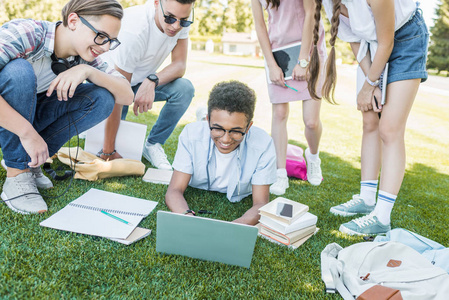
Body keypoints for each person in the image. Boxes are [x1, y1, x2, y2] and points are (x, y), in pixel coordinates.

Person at [0, 0, 134, 214]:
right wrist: (26, 133)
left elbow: (127, 96)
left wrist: (87, 72)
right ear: (73, 21)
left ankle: (32, 162)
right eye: (101, 36)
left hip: (27, 118)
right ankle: (17, 171)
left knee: (102, 98)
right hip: (6, 120)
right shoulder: (26, 33)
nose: (106, 47)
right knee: (19, 72)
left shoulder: (85, 56)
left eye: (111, 41)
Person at [309, 0, 429, 235]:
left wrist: (370, 84)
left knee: (390, 129)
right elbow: (354, 40)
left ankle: (382, 217)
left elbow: (387, 42)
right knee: (370, 122)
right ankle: (366, 198)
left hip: (406, 40)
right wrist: (370, 82)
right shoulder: (329, 2)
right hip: (372, 48)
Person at [97, 0, 195, 170]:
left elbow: (180, 65)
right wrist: (108, 150)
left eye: (184, 20)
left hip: (141, 80)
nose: (176, 26)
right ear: (157, 3)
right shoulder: (134, 30)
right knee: (109, 129)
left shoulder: (179, 16)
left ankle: (152, 145)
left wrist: (152, 80)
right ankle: (95, 131)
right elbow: (119, 91)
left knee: (184, 89)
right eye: (170, 18)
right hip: (110, 83)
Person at [165, 81, 277, 225]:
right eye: (218, 128)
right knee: (201, 133)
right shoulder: (190, 135)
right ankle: (205, 119)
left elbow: (261, 203)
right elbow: (174, 190)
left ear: (248, 127)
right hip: (201, 132)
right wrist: (187, 217)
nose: (225, 139)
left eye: (236, 131)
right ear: (208, 121)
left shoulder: (263, 144)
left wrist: (234, 227)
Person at [251, 0, 328, 195]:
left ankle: (313, 156)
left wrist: (303, 60)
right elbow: (260, 25)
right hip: (278, 53)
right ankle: (279, 173)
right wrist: (271, 64)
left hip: (309, 50)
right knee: (279, 113)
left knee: (311, 121)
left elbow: (311, 12)